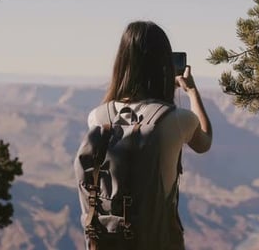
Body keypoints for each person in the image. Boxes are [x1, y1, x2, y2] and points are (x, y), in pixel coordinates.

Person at [84, 20, 213, 249]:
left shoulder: (97, 118)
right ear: (164, 64)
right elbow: (205, 142)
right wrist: (192, 92)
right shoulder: (177, 119)